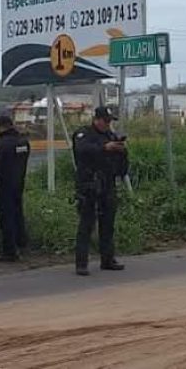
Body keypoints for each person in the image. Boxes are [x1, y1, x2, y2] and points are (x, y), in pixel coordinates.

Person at [72, 106, 128, 276]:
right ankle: (81, 263)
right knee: (87, 224)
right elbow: (82, 150)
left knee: (108, 223)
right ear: (97, 119)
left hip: (107, 183)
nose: (108, 124)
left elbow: (120, 161)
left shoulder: (110, 136)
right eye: (106, 121)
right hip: (89, 184)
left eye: (110, 121)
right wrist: (105, 148)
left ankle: (108, 259)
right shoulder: (84, 134)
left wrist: (121, 151)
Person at [0, 114, 30, 262]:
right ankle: (21, 244)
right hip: (19, 184)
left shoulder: (2, 145)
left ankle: (10, 252)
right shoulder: (24, 142)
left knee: (6, 218)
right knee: (17, 215)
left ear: (2, 127)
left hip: (5, 186)